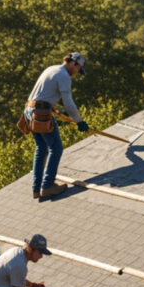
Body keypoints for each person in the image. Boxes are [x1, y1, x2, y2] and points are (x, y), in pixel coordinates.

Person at [24, 53, 88, 200]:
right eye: (79, 69)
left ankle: (36, 188)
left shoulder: (52, 69)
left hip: (29, 111)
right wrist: (79, 121)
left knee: (41, 149)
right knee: (56, 148)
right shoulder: (64, 76)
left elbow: (42, 93)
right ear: (74, 63)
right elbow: (68, 102)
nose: (77, 73)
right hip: (40, 113)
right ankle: (47, 186)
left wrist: (53, 110)